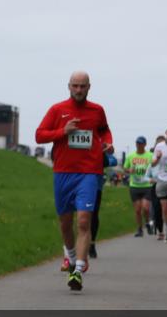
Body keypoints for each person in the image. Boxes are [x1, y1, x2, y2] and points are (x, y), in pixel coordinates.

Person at [35, 71, 113, 291]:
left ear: (89, 87)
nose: (79, 90)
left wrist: (108, 143)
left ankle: (78, 270)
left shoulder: (97, 111)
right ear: (68, 87)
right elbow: (39, 135)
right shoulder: (57, 110)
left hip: (89, 172)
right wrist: (63, 131)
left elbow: (104, 131)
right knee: (65, 224)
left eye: (83, 86)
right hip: (63, 172)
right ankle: (70, 256)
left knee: (83, 221)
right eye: (75, 86)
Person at [123, 136, 155, 237]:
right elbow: (125, 168)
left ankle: (148, 223)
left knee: (145, 208)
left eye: (141, 143)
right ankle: (140, 229)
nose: (139, 145)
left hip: (147, 186)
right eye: (137, 143)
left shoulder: (150, 155)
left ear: (145, 145)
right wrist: (129, 171)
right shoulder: (131, 156)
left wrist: (153, 177)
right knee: (137, 210)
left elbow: (155, 167)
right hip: (134, 186)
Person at [88, 149, 118, 258]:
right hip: (78, 183)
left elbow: (113, 161)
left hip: (96, 186)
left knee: (93, 214)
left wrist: (103, 156)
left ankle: (91, 243)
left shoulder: (100, 144)